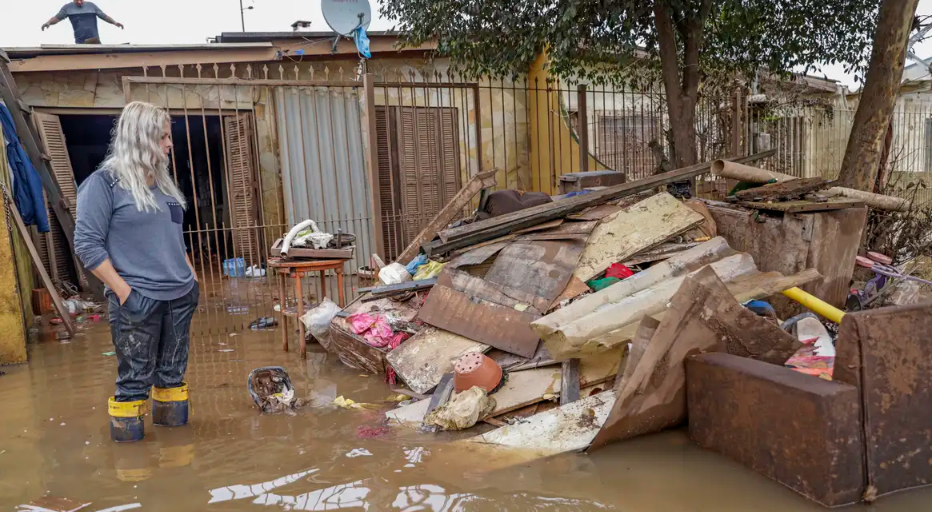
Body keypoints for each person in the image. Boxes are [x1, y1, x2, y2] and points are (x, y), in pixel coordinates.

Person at [74, 102, 198, 442]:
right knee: (133, 383)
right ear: (139, 138)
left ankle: (176, 463)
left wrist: (191, 279)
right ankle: (134, 474)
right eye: (162, 137)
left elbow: (174, 237)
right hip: (137, 300)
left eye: (168, 137)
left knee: (172, 376)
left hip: (180, 296)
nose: (169, 145)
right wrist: (125, 293)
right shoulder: (104, 184)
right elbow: (87, 245)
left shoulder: (164, 186)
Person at [41, 0, 123, 44]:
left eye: (81, 0)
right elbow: (57, 18)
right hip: (80, 41)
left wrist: (114, 22)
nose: (79, 2)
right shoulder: (67, 8)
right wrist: (48, 23)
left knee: (97, 60)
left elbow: (104, 16)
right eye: (77, 0)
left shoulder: (91, 5)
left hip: (93, 39)